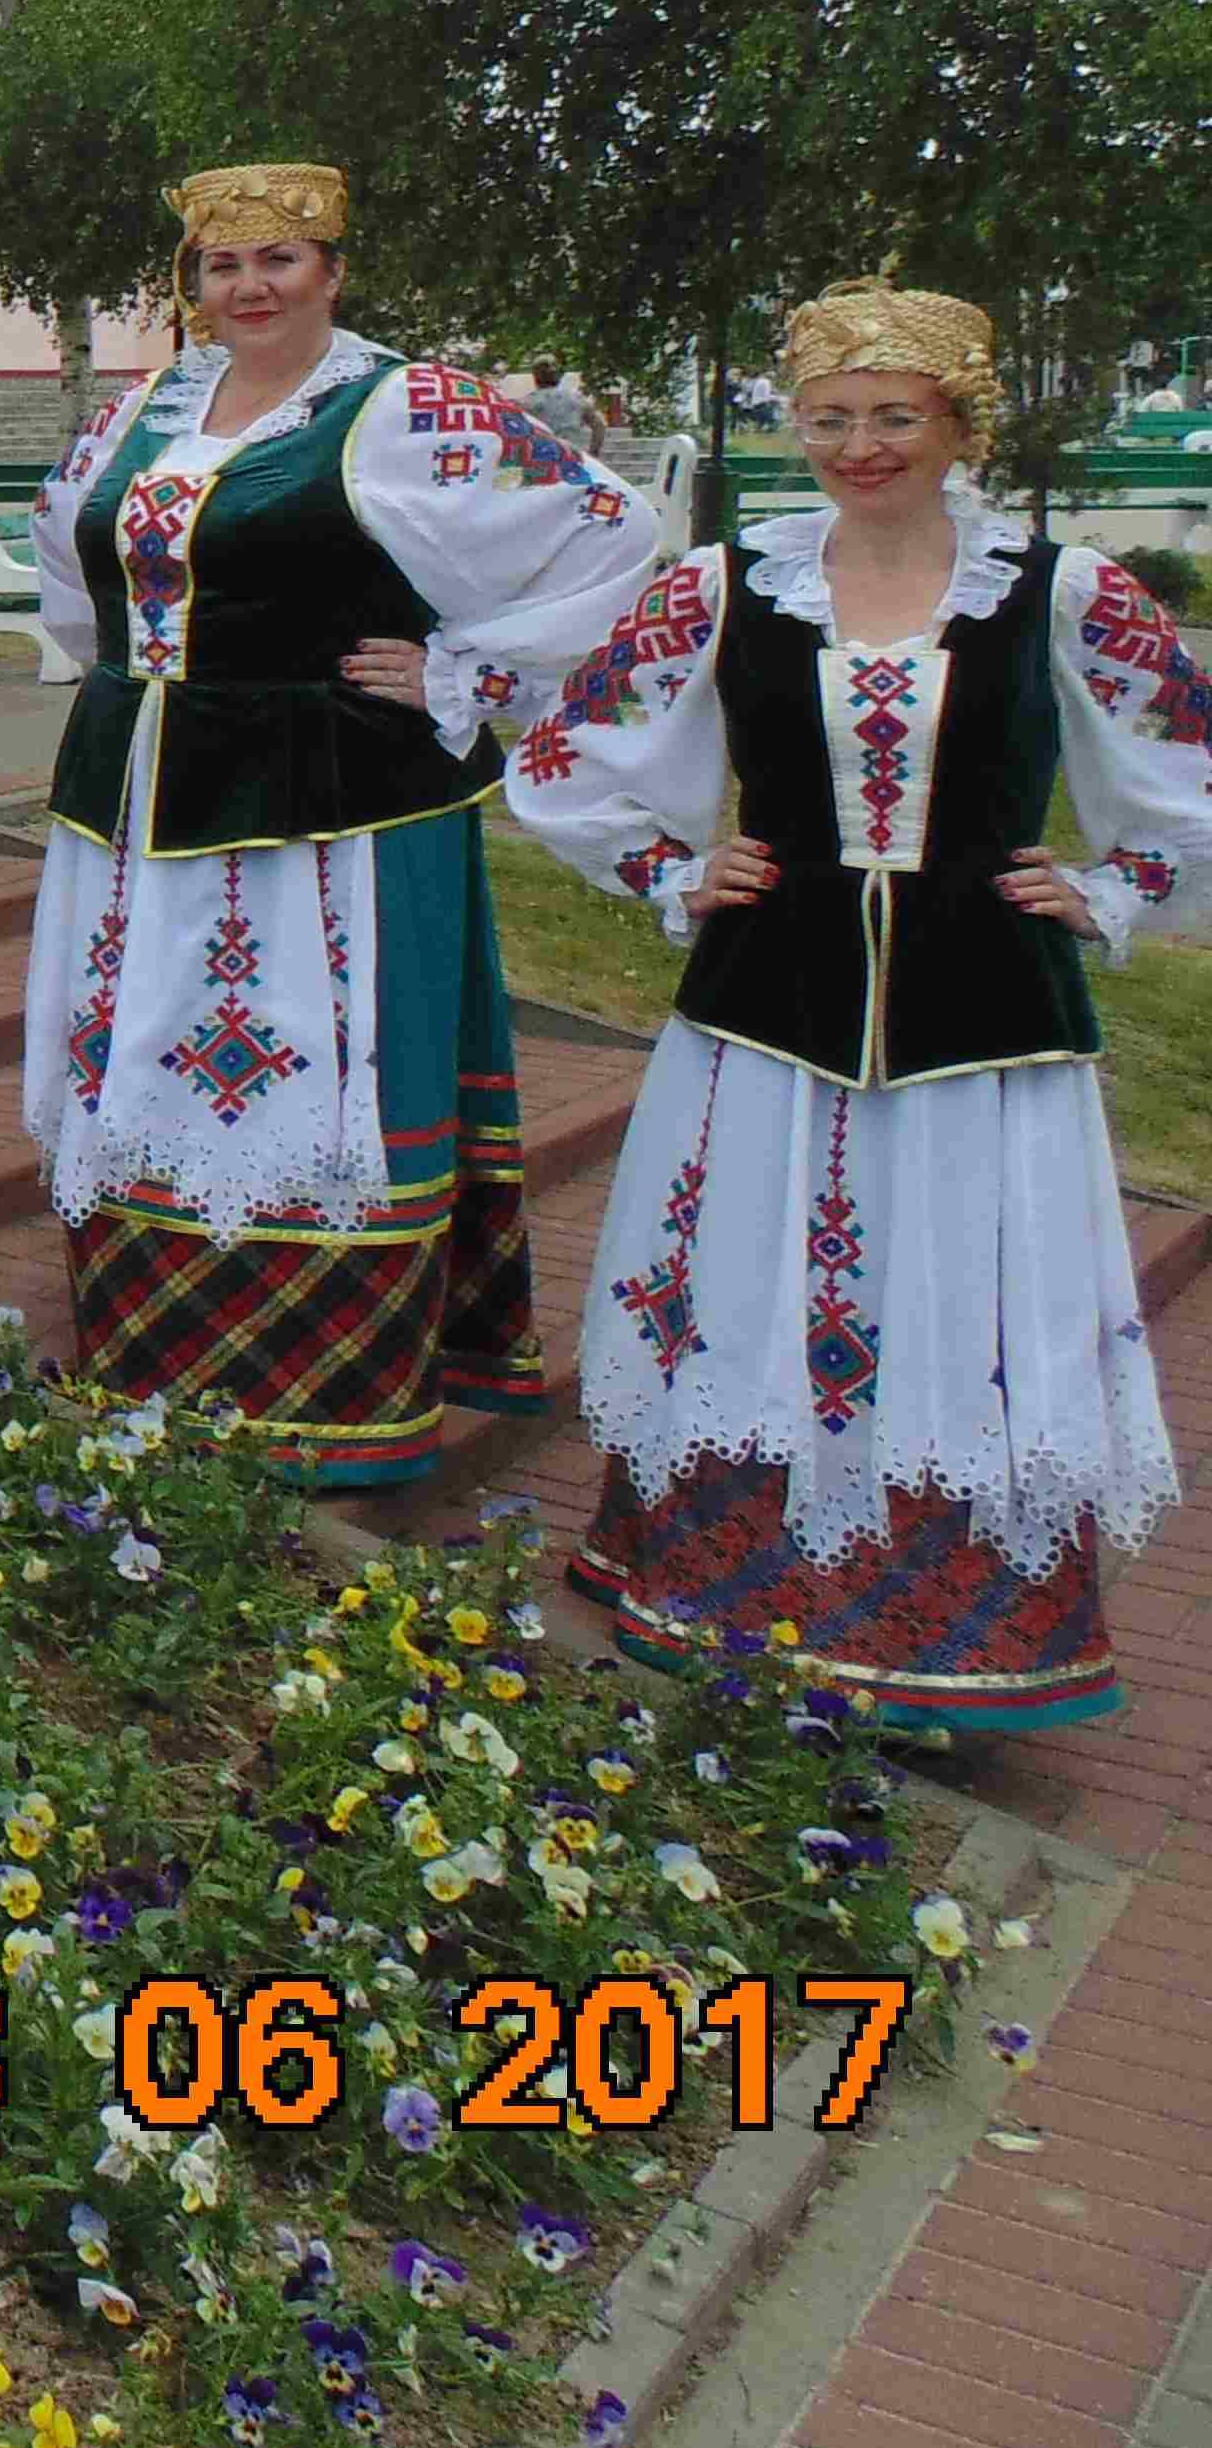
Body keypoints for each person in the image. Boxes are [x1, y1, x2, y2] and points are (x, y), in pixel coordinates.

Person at [505, 281, 1202, 1731]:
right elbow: (570, 754)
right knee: (754, 1276)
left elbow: (1188, 758)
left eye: (894, 416)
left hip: (987, 1015)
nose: (859, 447)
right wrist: (665, 866)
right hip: (770, 1003)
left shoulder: (1058, 589)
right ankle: (731, 1584)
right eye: (828, 419)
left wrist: (1117, 882)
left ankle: (954, 1624)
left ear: (959, 423)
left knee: (956, 1289)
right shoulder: (729, 584)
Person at [20, 165, 668, 1489]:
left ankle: (321, 1396)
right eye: (222, 265)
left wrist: (467, 671)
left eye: (280, 260)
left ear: (333, 272)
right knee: (147, 1058)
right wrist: (134, 684)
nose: (248, 286)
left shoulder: (406, 407)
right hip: (140, 806)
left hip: (327, 807)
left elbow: (614, 530)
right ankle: (155, 1358)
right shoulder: (146, 409)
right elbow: (73, 580)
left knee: (315, 1068)